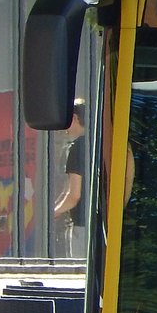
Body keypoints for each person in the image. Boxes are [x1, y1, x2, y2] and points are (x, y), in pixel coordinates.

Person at [53, 99, 87, 258]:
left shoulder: (77, 148)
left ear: (74, 118)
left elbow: (74, 195)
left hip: (82, 225)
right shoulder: (97, 145)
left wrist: (53, 213)